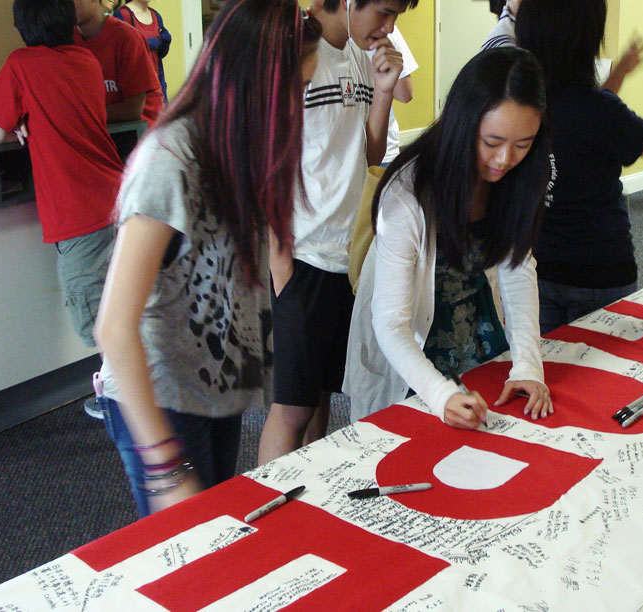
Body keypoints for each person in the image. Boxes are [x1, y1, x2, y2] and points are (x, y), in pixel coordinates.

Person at [94, 0, 321, 516]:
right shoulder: (168, 160)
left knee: (216, 534)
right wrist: (165, 464)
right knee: (188, 549)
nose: (297, 105)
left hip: (214, 383)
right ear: (253, 82)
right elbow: (113, 327)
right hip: (162, 393)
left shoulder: (239, 146)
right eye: (293, 90)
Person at [344, 47, 552, 429]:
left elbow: (517, 266)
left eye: (523, 145)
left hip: (476, 332)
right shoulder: (407, 194)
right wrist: (441, 395)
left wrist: (527, 365)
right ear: (464, 124)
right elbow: (390, 322)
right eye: (492, 142)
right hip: (411, 348)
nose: (505, 159)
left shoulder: (518, 178)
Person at [257, 0, 417, 464]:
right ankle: (265, 520)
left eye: (395, 18)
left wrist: (384, 91)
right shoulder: (296, 55)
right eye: (384, 13)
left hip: (348, 256)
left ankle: (314, 496)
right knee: (290, 408)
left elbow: (365, 151)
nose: (388, 28)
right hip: (303, 257)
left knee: (325, 391)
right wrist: (280, 265)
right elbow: (267, 168)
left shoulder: (359, 56)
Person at [490, 0, 643, 334]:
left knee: (545, 371)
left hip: (539, 268)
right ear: (586, 40)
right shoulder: (597, 110)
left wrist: (617, 72)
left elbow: (583, 125)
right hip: (600, 271)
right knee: (600, 376)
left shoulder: (523, 102)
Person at [0, 0, 123, 387]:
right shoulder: (86, 60)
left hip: (78, 212)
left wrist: (19, 124)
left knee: (93, 316)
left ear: (22, 26)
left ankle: (120, 397)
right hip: (117, 198)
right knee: (124, 303)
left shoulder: (21, 63)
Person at [73, 0, 164, 125]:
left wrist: (79, 116)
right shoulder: (67, 40)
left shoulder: (127, 38)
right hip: (102, 130)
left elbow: (133, 109)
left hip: (141, 133)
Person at [369, 25, 418, 165]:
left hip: (384, 150)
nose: (389, 25)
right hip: (340, 162)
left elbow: (405, 94)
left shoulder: (386, 31)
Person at [114, 0, 172, 102]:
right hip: (136, 89)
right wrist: (148, 43)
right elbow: (119, 55)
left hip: (158, 85)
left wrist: (165, 43)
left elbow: (159, 55)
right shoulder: (122, 15)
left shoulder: (155, 15)